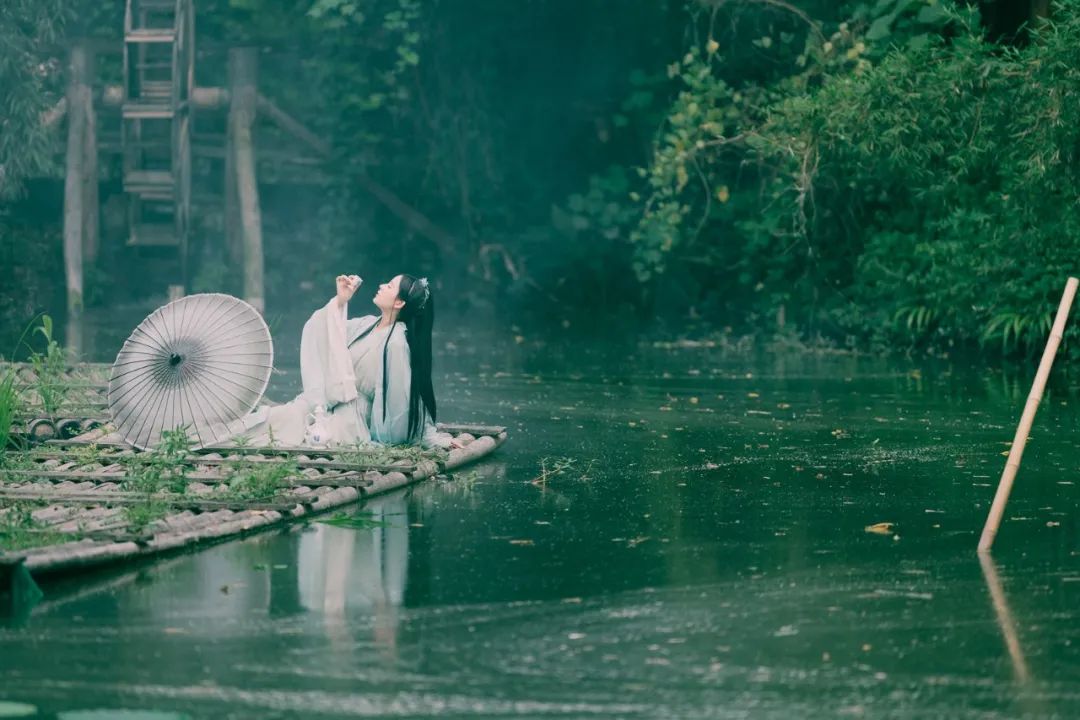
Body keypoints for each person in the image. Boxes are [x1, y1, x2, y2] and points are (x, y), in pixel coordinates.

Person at [238, 273, 455, 449]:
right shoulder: (368, 324)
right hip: (327, 402)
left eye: (389, 286)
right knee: (278, 420)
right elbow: (329, 332)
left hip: (351, 419)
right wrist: (341, 301)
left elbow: (403, 397)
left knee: (295, 435)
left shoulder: (397, 342)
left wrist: (427, 435)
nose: (381, 285)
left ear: (399, 302)